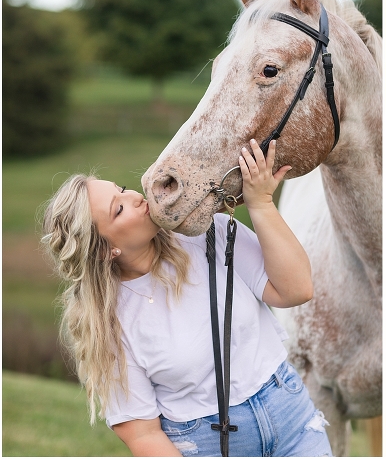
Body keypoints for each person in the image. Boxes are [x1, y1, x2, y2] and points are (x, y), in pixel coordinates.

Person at [41, 139, 333, 457]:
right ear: (104, 251)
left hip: (293, 423)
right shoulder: (111, 324)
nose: (137, 197)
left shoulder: (210, 234)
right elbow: (144, 435)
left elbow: (297, 288)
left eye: (122, 188)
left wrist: (261, 204)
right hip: (210, 446)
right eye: (119, 208)